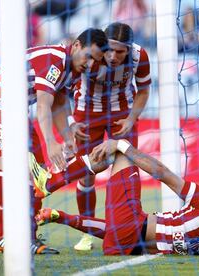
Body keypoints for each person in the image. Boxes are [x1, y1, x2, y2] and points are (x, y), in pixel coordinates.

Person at [29, 139, 199, 255]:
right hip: (125, 247)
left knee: (118, 153)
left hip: (131, 228)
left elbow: (162, 173)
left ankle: (50, 182)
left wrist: (123, 144)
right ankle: (59, 216)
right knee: (126, 227)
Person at [0, 28, 108, 254]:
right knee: (5, 166)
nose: (92, 64)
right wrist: (51, 142)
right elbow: (44, 105)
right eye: (90, 56)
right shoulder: (55, 60)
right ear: (76, 46)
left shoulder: (74, 71)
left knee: (39, 173)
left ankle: (28, 236)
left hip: (17, 110)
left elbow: (58, 104)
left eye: (97, 60)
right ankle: (3, 236)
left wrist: (68, 134)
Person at [68, 22, 151, 251]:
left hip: (123, 114)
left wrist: (132, 118)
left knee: (127, 169)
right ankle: (87, 234)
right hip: (87, 113)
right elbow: (63, 88)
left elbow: (144, 90)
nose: (113, 56)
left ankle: (131, 228)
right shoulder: (89, 54)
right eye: (109, 50)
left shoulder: (139, 57)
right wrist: (70, 123)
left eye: (120, 51)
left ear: (130, 48)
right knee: (86, 173)